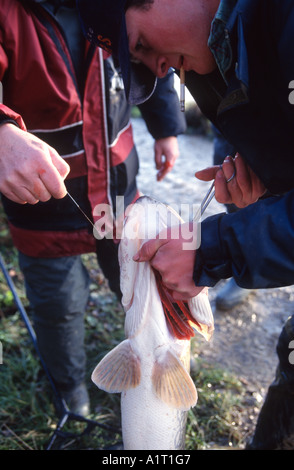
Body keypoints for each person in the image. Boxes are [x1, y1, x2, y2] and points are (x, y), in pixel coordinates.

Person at [76, 0, 294, 448]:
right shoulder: (214, 54)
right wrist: (272, 191)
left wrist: (216, 248)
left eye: (139, 44)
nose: (157, 69)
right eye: (139, 63)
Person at [0, 0, 186, 417]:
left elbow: (156, 57)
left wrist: (167, 129)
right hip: (42, 205)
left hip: (120, 189)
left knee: (145, 289)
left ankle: (157, 376)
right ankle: (70, 395)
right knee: (59, 305)